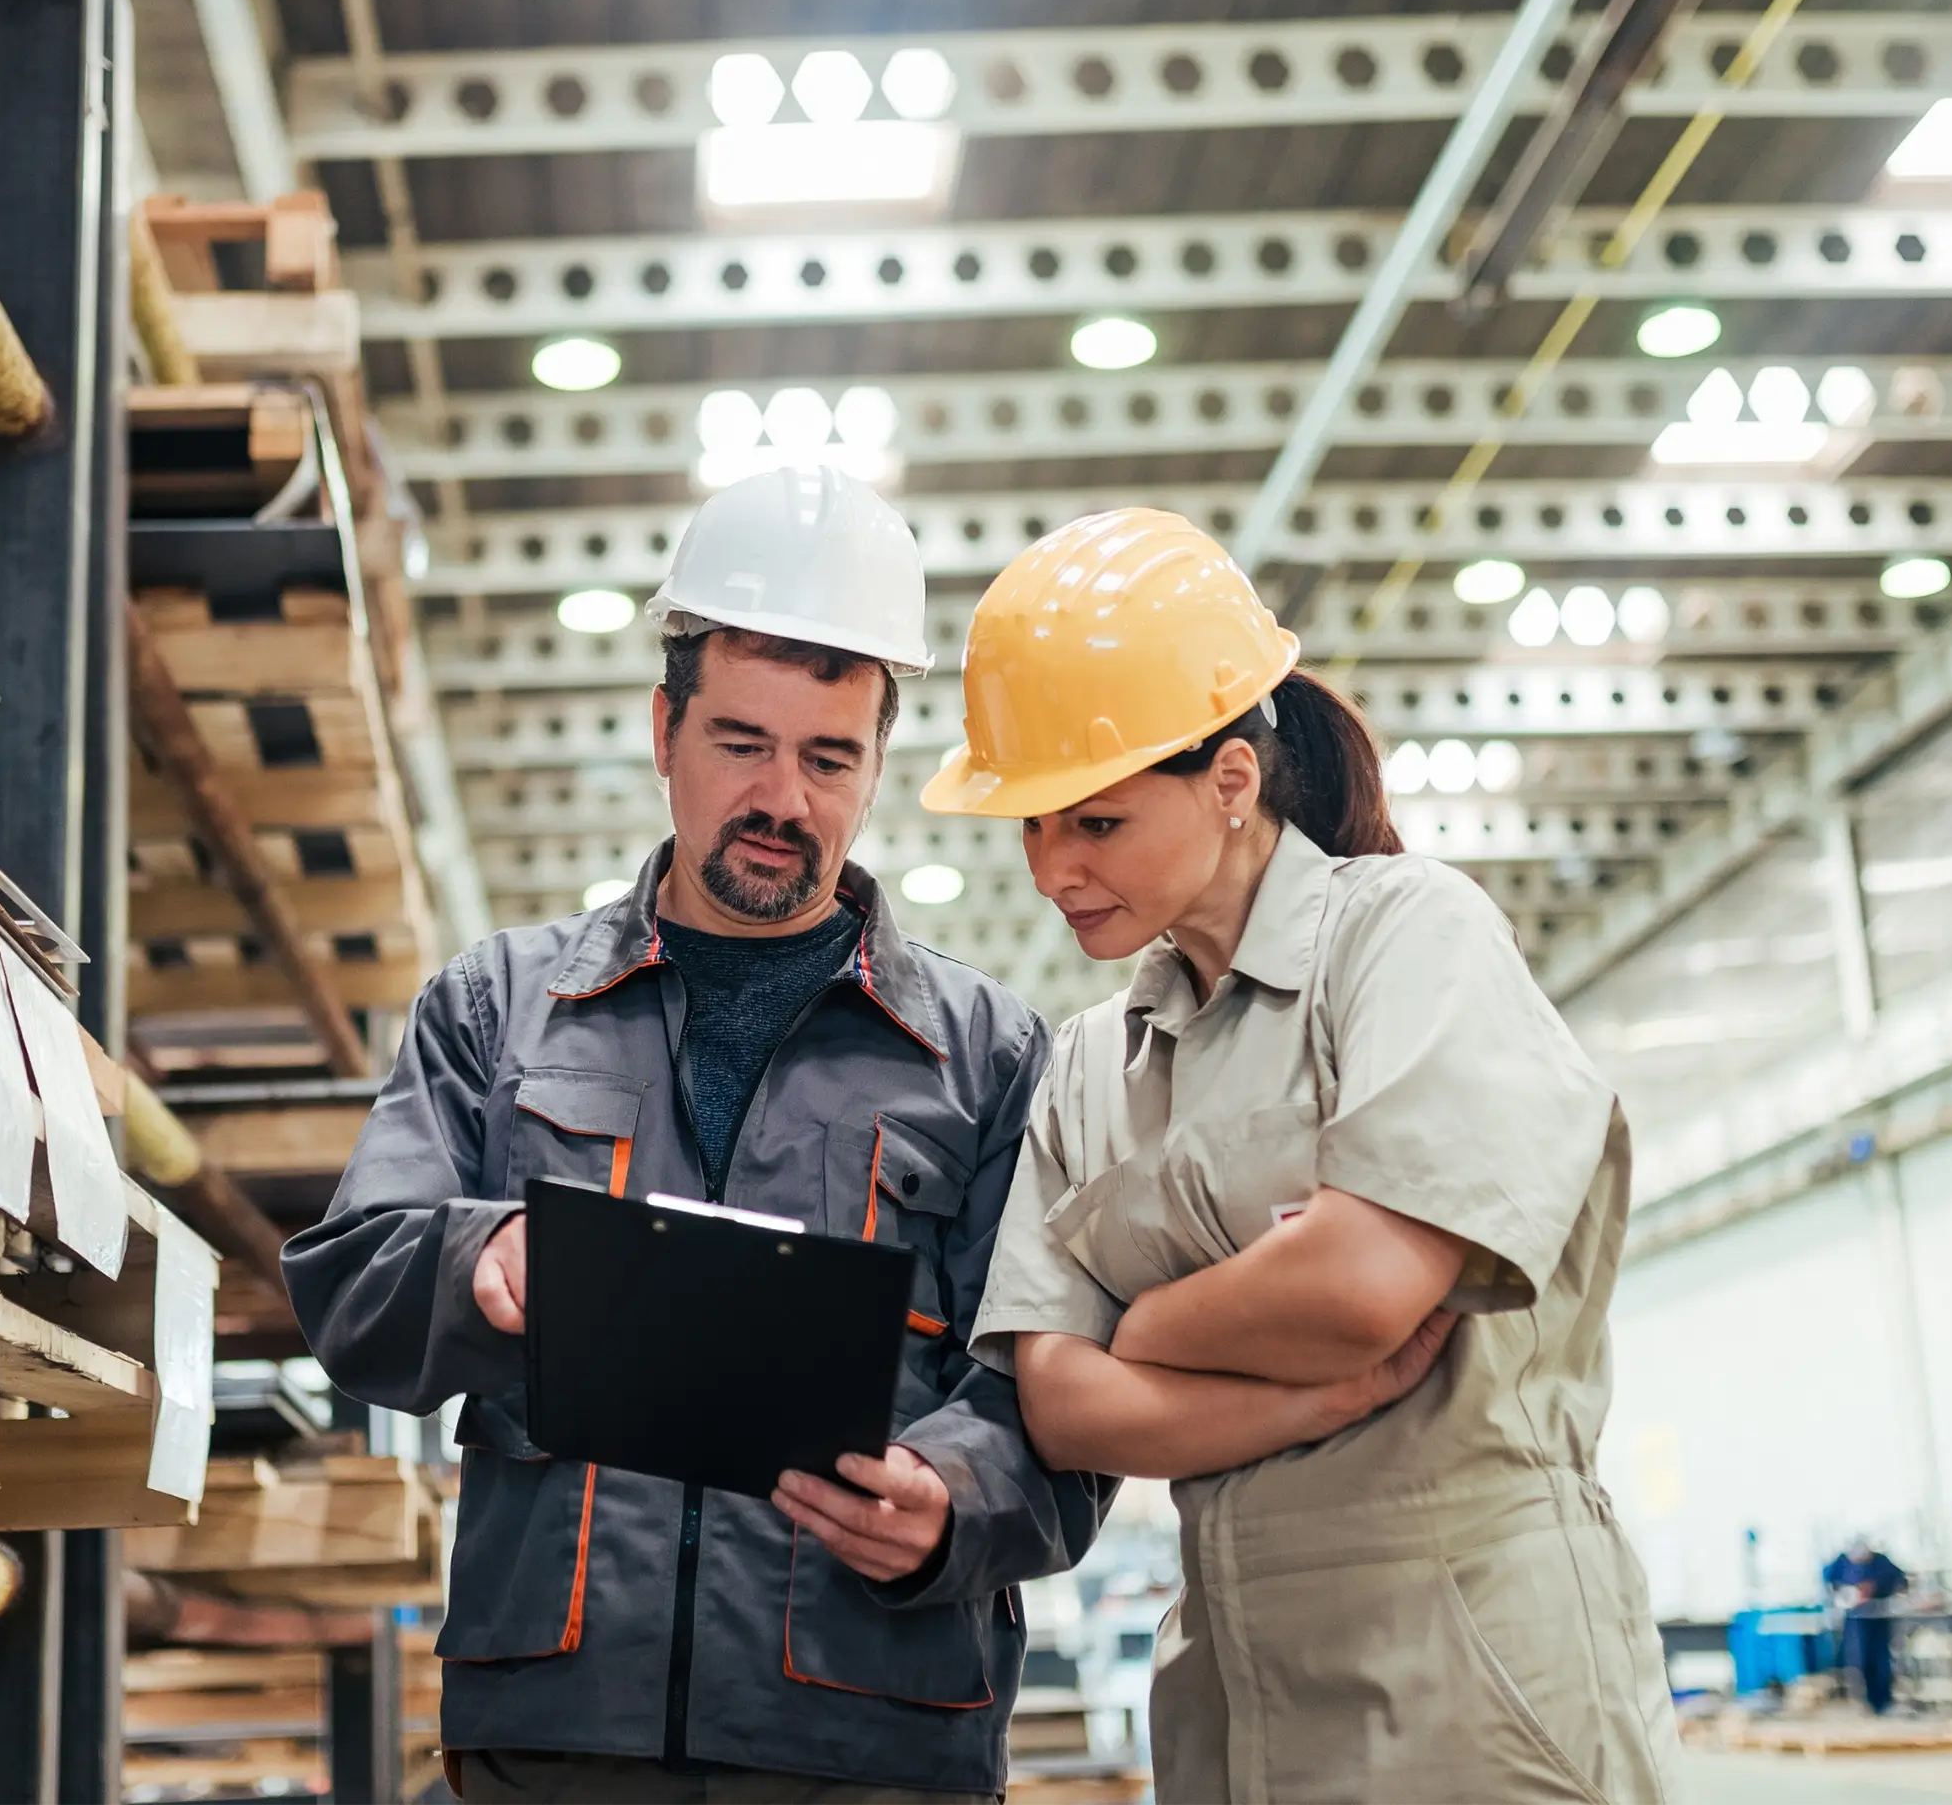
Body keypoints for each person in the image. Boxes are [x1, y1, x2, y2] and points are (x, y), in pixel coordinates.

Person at [286, 472, 1426, 1803]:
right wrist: (482, 1265)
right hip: (561, 1737)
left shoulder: (1000, 1058)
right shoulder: (498, 1010)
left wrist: (952, 1502)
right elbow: (351, 1284)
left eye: (829, 758)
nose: (783, 797)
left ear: (880, 762)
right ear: (665, 731)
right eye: (740, 744)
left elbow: (1052, 1403)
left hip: (874, 1743)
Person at [923, 508, 1683, 1805]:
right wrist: (1313, 1398)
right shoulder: (1091, 1064)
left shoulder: (1406, 941)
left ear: (1230, 780)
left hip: (1475, 1681)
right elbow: (1061, 1407)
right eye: (1033, 829)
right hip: (1231, 1694)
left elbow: (1360, 1288)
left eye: (1094, 823)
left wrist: (1144, 1330)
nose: (1055, 869)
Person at [1824, 1537, 1910, 1715]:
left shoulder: (1881, 1564)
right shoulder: (1840, 1565)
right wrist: (1846, 1593)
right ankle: (1867, 1701)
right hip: (1856, 1623)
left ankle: (1883, 1701)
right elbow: (1830, 1582)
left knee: (1882, 1662)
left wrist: (1876, 1589)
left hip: (1879, 1621)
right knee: (1860, 1661)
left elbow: (1901, 1581)